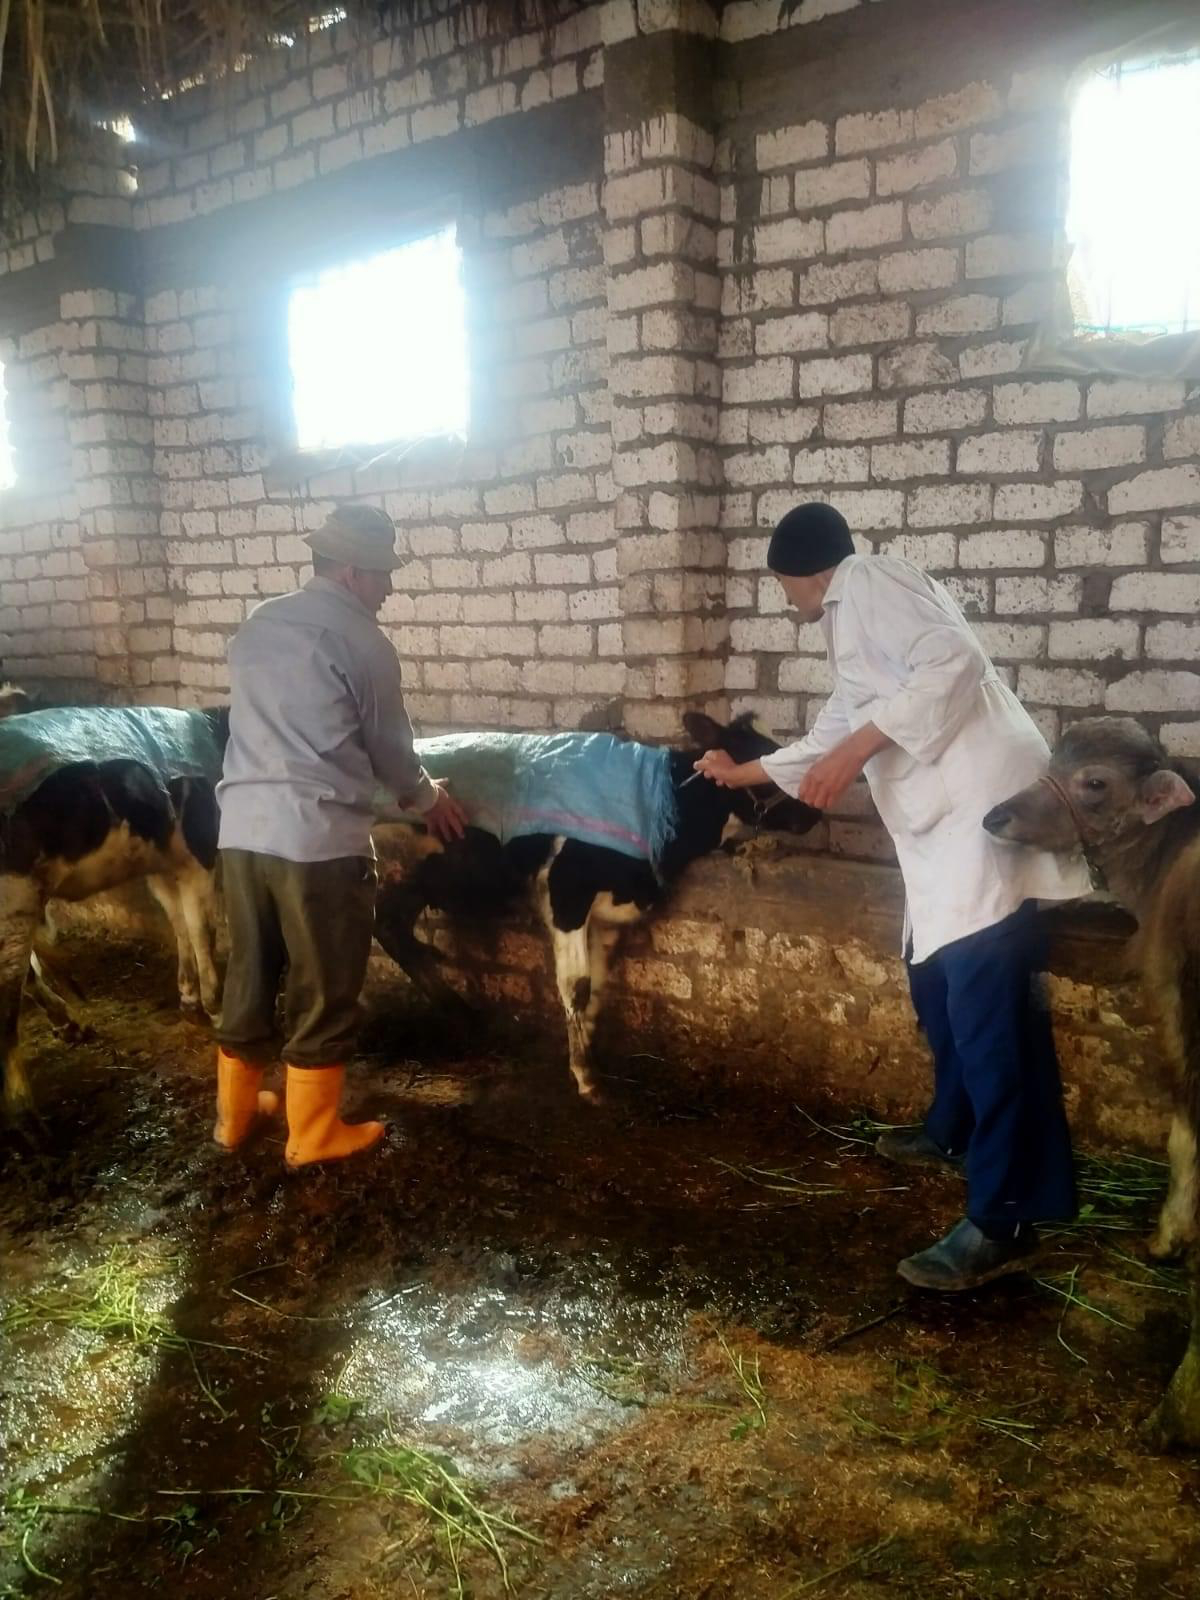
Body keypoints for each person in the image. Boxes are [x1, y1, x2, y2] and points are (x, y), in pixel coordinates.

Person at [694, 502, 1092, 1290]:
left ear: (805, 574)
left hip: (981, 813)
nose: (787, 602)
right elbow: (836, 730)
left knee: (987, 1013)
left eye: (783, 587)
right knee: (933, 977)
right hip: (947, 828)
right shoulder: (850, 626)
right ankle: (954, 1129)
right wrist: (743, 773)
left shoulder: (869, 580)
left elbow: (957, 662)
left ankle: (1005, 1218)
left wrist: (860, 751)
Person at [212, 503, 467, 1167]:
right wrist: (429, 798)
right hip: (316, 841)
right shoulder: (363, 642)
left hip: (241, 832)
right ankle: (314, 1134)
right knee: (325, 985)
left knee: (249, 973)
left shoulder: (259, 623)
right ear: (354, 571)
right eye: (383, 574)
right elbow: (391, 752)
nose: (389, 588)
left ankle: (234, 1120)